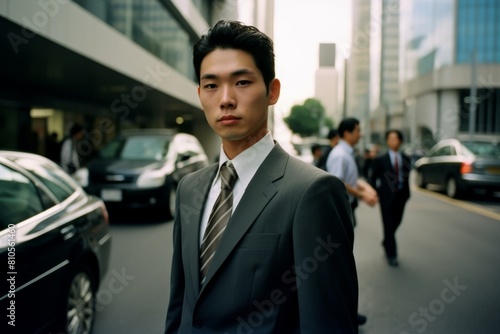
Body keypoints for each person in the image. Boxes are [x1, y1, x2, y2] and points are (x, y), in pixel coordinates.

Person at [165, 20, 358, 333]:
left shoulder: (312, 192)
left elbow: (328, 322)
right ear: (200, 94)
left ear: (272, 91)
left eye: (242, 82)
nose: (225, 98)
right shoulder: (190, 187)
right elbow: (181, 302)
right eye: (212, 85)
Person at [325, 117, 378, 326]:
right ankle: (342, 314)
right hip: (341, 211)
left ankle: (344, 312)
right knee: (341, 264)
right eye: (357, 130)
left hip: (347, 209)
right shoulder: (340, 155)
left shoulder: (346, 153)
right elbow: (338, 184)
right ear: (347, 133)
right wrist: (363, 195)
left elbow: (351, 180)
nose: (360, 134)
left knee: (342, 262)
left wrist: (365, 189)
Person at [369, 130, 411, 267]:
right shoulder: (381, 159)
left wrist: (407, 194)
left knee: (396, 222)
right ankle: (392, 255)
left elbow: (406, 178)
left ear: (400, 141)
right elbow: (372, 178)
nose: (393, 141)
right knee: (388, 225)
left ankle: (387, 241)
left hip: (401, 196)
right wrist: (377, 193)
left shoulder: (406, 158)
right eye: (390, 139)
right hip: (386, 199)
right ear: (387, 141)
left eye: (395, 139)